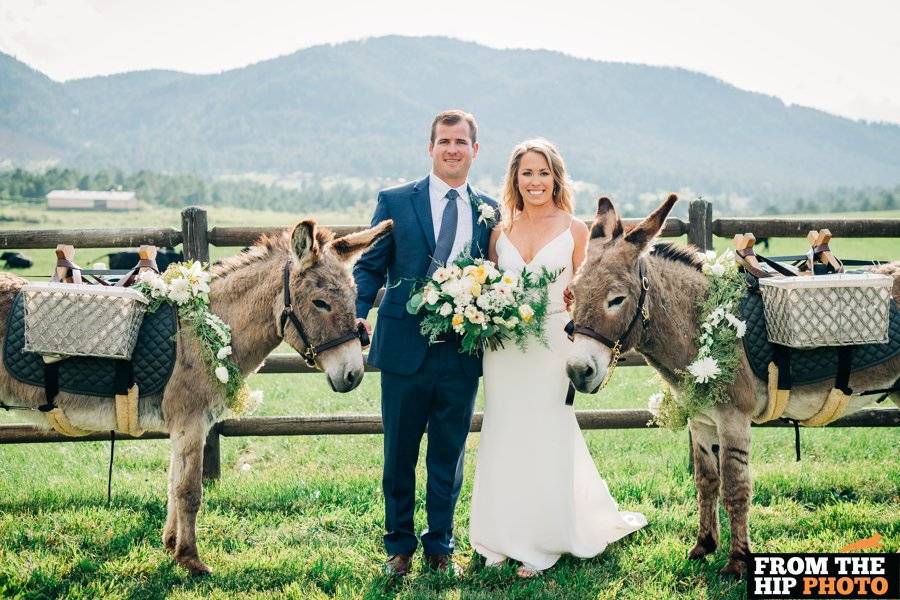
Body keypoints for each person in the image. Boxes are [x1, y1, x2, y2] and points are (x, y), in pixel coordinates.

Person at [468, 138, 647, 577]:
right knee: (505, 430)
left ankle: (543, 538)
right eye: (527, 173)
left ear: (556, 178)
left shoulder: (575, 230)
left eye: (543, 173)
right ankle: (502, 533)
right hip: (505, 347)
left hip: (554, 343)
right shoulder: (499, 233)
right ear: (515, 179)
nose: (535, 181)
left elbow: (588, 289)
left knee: (548, 429)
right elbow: (492, 285)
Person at [353, 109, 499, 577]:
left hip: (462, 349)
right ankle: (398, 545)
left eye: (461, 142)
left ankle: (440, 544)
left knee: (449, 453)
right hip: (402, 349)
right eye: (444, 141)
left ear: (475, 150)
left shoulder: (490, 210)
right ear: (430, 147)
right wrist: (357, 313)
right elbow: (371, 266)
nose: (452, 149)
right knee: (398, 453)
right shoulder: (395, 201)